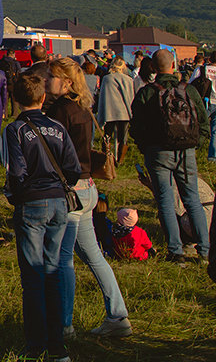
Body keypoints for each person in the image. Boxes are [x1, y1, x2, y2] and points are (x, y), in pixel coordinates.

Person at [44, 58, 131, 339]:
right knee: (93, 256)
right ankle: (117, 315)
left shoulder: (59, 111)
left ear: (65, 82)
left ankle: (65, 325)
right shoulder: (83, 107)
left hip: (70, 191)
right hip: (88, 186)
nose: (46, 81)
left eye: (52, 77)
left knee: (64, 259)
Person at [4, 72, 80, 362]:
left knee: (32, 276)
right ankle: (57, 344)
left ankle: (36, 344)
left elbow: (17, 170)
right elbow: (72, 167)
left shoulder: (16, 130)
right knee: (53, 271)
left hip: (32, 202)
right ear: (43, 97)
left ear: (15, 99)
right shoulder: (58, 127)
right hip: (59, 202)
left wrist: (19, 194)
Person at [130, 49, 210, 263]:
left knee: (165, 200)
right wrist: (196, 143)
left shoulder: (147, 93)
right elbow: (203, 120)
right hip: (187, 151)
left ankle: (176, 251)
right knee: (192, 199)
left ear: (153, 68)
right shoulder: (188, 90)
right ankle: (205, 250)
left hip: (158, 152)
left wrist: (145, 147)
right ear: (173, 65)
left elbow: (136, 127)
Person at [96, 57, 136, 164]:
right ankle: (120, 161)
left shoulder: (106, 79)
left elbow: (103, 97)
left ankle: (107, 160)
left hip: (109, 111)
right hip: (123, 112)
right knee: (123, 137)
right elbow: (130, 97)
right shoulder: (128, 80)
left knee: (107, 136)